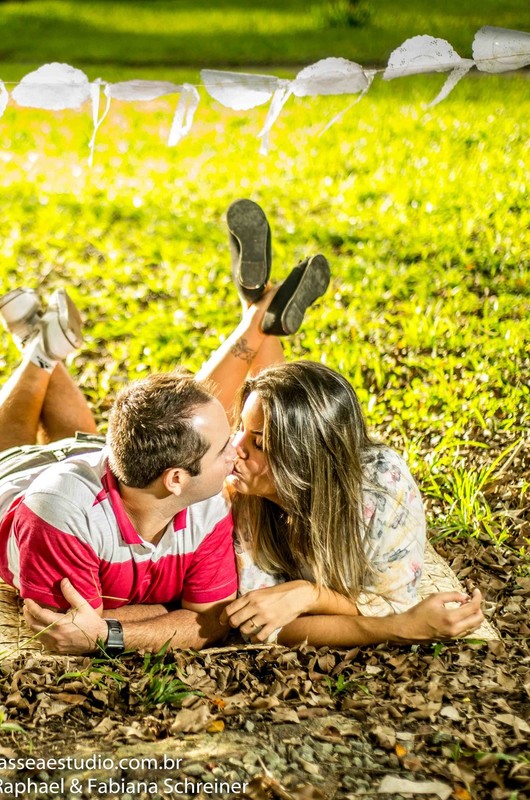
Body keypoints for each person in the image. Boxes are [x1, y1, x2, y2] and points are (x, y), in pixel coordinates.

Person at [198, 199, 485, 647]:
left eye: (257, 443)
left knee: (248, 414)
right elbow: (263, 617)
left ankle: (258, 312)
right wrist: (305, 596)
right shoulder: (241, 491)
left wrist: (305, 593)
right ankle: (259, 319)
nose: (235, 448)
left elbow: (390, 607)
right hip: (282, 465)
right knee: (192, 432)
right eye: (243, 434)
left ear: (303, 462)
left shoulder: (382, 496)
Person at [0, 288, 242, 655]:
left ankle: (42, 348)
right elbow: (66, 630)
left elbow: (210, 622)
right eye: (224, 447)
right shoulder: (57, 515)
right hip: (5, 482)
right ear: (175, 479)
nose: (236, 450)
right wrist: (174, 613)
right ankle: (38, 352)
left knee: (84, 446)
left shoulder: (207, 502)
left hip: (95, 456)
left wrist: (107, 630)